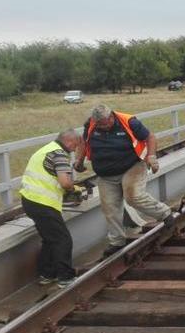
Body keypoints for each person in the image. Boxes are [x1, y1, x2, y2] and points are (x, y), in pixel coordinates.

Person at [74, 104, 176, 257]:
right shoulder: (90, 125)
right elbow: (84, 142)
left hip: (132, 166)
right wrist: (79, 161)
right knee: (109, 208)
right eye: (98, 124)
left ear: (111, 117)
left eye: (104, 123)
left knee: (133, 197)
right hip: (105, 174)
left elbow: (150, 137)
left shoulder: (129, 122)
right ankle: (117, 241)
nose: (102, 126)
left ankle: (165, 213)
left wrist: (152, 156)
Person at [20, 130, 81, 288]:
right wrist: (74, 189)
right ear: (68, 141)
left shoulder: (45, 149)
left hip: (29, 200)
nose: (74, 149)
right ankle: (65, 278)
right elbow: (65, 182)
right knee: (62, 239)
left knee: (50, 239)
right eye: (75, 145)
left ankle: (47, 274)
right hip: (43, 203)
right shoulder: (59, 154)